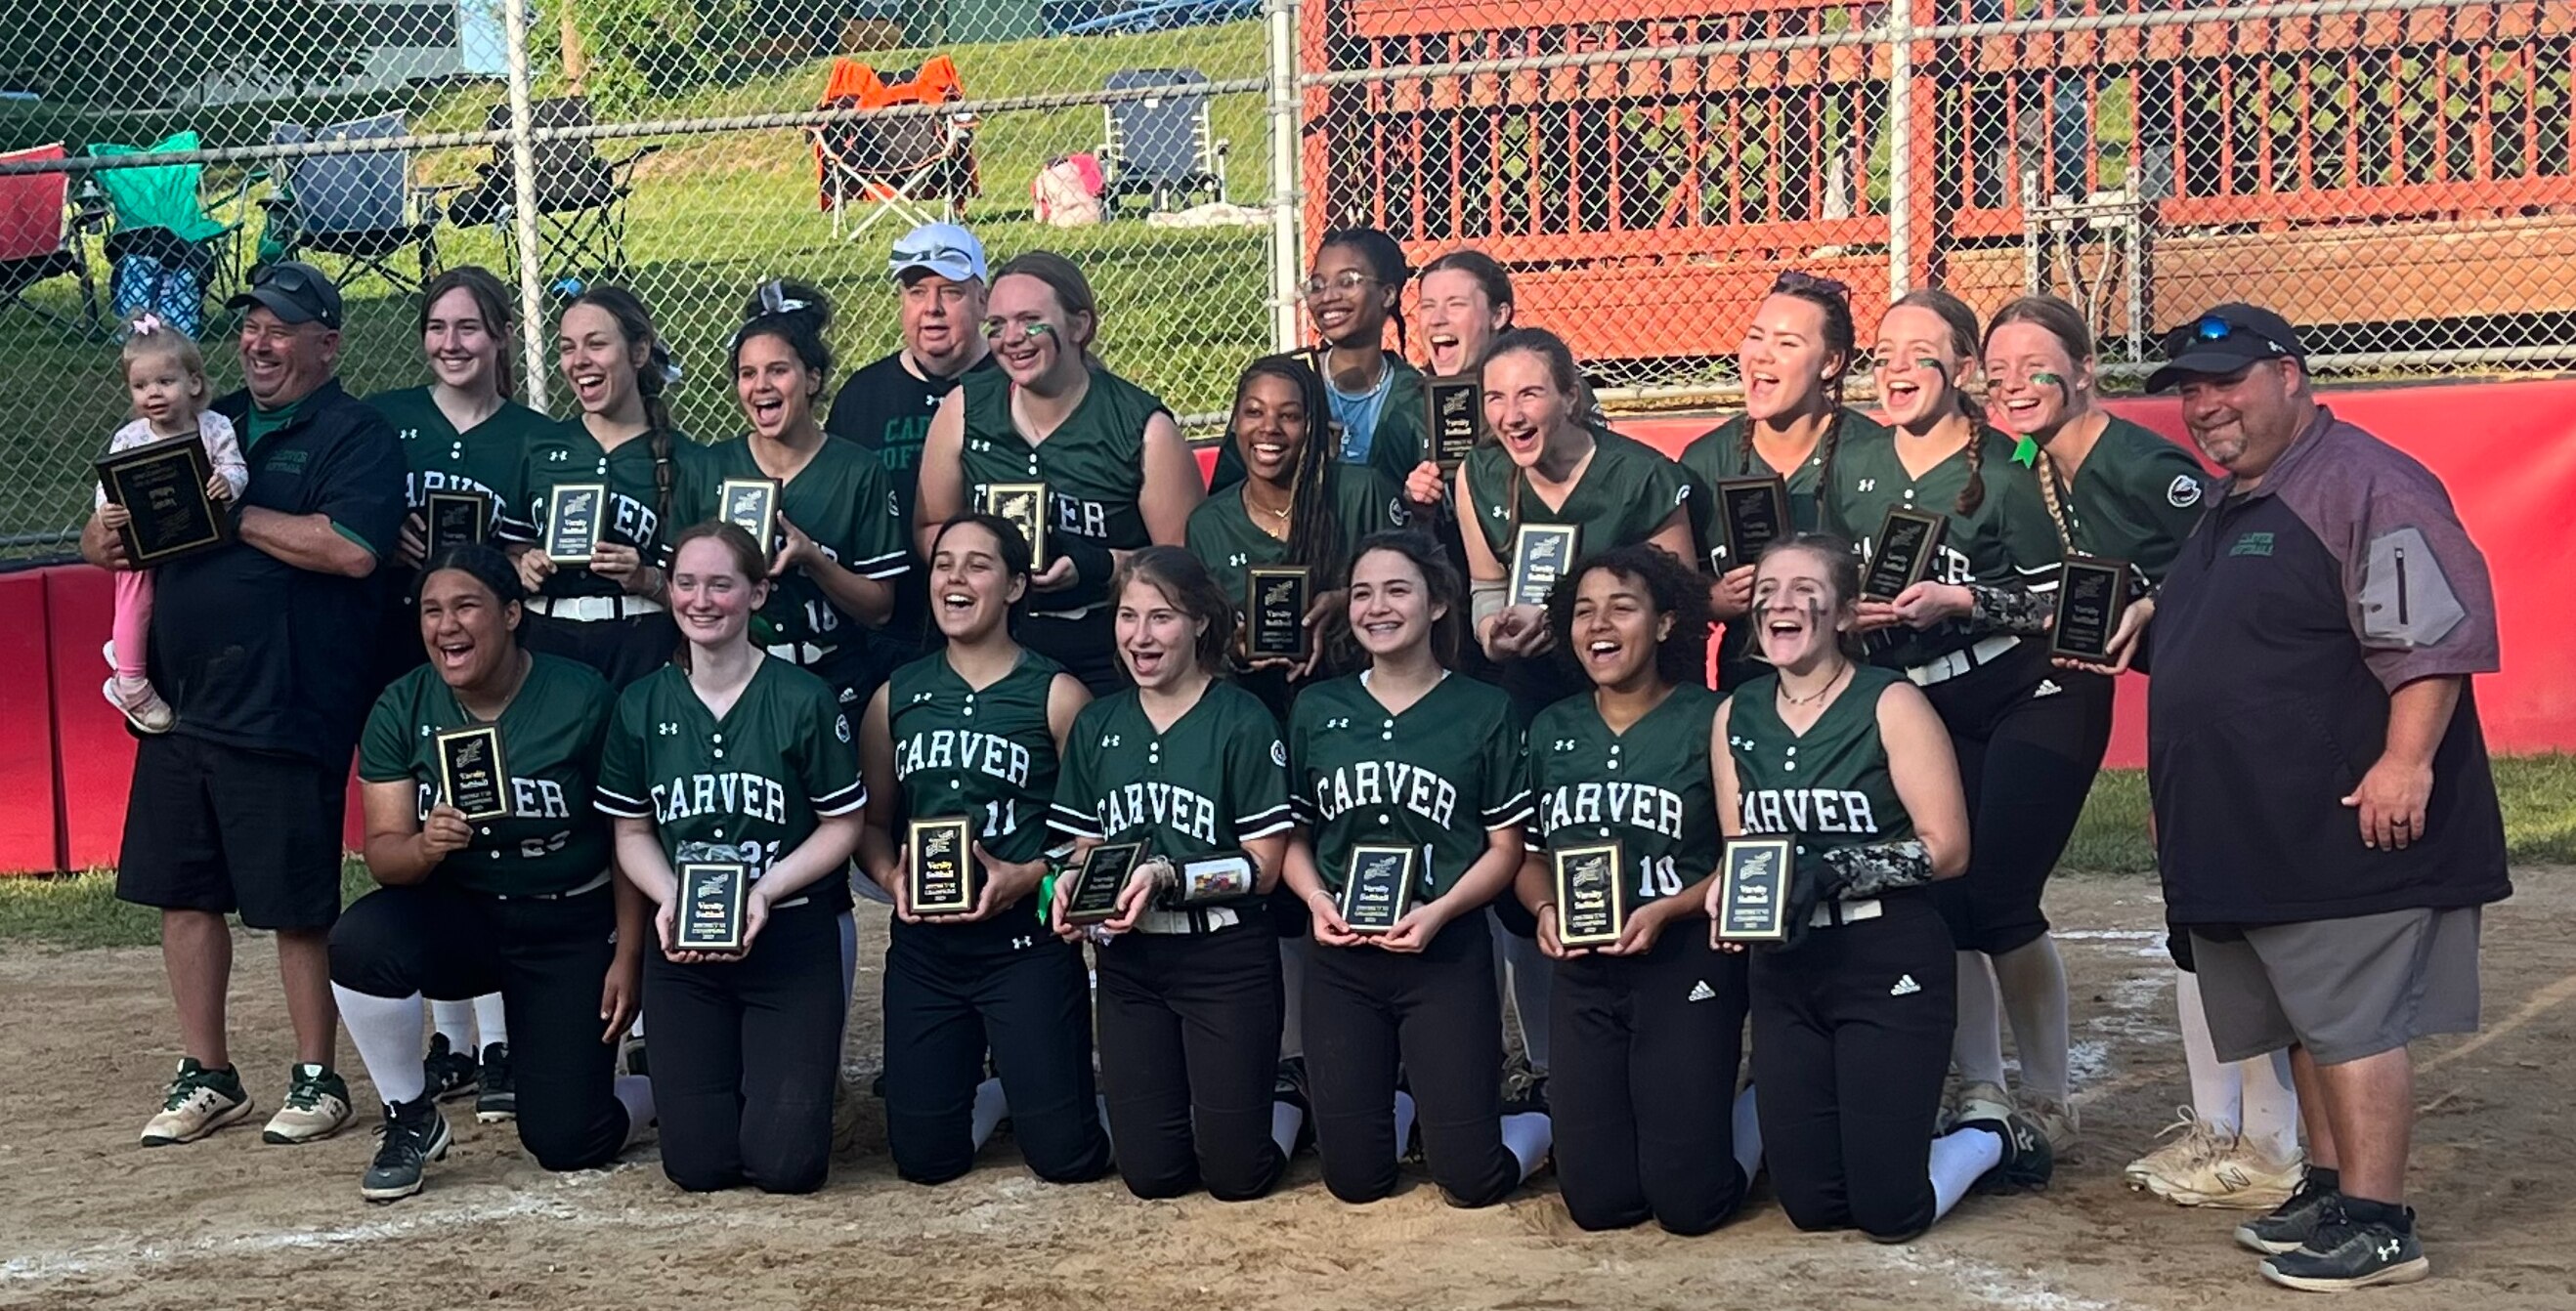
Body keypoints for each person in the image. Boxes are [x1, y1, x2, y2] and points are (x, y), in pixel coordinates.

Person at [2141, 303, 2506, 1291]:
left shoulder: (2361, 481)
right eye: (2188, 389)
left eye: (2225, 382)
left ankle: (2380, 1221)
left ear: (2291, 375)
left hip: (2338, 815)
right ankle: (2333, 1184)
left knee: (2351, 1017)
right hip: (2257, 825)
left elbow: (2426, 638)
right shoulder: (2240, 495)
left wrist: (2404, 761)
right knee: (2306, 1015)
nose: (2203, 405)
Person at [1981, 294, 2296, 1207]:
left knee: (2233, 913)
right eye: (1997, 374)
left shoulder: (2141, 463)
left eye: (2037, 367)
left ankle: (2270, 1139)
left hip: (2236, 710)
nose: (2014, 387)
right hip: (2183, 710)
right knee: (2194, 910)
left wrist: (2162, 602)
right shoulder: (2036, 470)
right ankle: (2222, 1128)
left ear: (2084, 370)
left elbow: (2234, 556)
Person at [82, 260, 405, 1148]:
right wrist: (106, 532)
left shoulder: (353, 434)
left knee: (293, 899)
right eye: (250, 327)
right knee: (181, 891)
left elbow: (350, 550)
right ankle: (209, 1072)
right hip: (182, 702)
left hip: (286, 701)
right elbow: (105, 537)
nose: (259, 343)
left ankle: (317, 1076)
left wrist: (227, 515)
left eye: (281, 327)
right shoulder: (192, 421)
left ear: (327, 344)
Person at [1713, 532, 2050, 1243]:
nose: (1783, 602)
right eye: (1769, 590)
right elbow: (1741, 851)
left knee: (1890, 1212)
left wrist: (1838, 869)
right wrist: (1727, 893)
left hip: (1885, 956)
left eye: (1807, 590)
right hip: (1788, 966)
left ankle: (1992, 1137)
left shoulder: (1890, 700)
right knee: (1812, 1207)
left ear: (1842, 614)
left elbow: (1949, 850)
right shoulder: (1735, 714)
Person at [1817, 290, 2068, 1151]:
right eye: (1884, 352)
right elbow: (1827, 578)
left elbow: (2058, 603)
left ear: (1964, 369)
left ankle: (2047, 1094)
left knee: (1999, 899)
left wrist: (1962, 599)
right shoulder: (1852, 460)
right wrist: (1843, 614)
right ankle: (1983, 1086)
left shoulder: (2007, 465)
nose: (1895, 369)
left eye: (1921, 353)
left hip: (2009, 690)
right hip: (1913, 697)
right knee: (1944, 895)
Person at [330, 545, 655, 1201]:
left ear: (511, 613)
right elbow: (385, 853)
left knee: (568, 1143)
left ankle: (660, 1086)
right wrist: (425, 846)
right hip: (470, 910)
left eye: (465, 606)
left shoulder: (580, 696)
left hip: (568, 920)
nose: (445, 625)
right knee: (360, 941)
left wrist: (629, 950)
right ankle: (409, 1115)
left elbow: (627, 831)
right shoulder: (402, 704)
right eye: (431, 611)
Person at [594, 523, 867, 1194]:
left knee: (787, 1167)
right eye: (687, 583)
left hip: (787, 936)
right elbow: (631, 833)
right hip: (682, 951)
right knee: (698, 1166)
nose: (701, 599)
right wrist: (670, 897)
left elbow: (844, 823)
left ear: (758, 592)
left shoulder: (803, 698)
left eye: (722, 584)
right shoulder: (642, 704)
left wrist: (765, 891)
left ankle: (779, 1087)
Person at [1282, 531, 1552, 1205]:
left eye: (1397, 590)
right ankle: (1396, 1116)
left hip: (1443, 949)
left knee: (1469, 1179)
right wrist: (1317, 899)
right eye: (1364, 592)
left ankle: (1548, 1122)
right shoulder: (1318, 707)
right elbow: (1293, 838)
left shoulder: (1484, 708)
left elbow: (1505, 848)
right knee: (1355, 1182)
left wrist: (1439, 912)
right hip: (1344, 955)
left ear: (1437, 604)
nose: (1377, 607)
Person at [855, 512, 1113, 1185]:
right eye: (944, 564)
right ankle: (998, 1094)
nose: (955, 578)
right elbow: (873, 824)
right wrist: (891, 877)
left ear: (1016, 587)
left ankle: (1029, 1093)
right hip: (927, 953)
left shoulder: (1058, 695)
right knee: (925, 1161)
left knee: (1066, 1160)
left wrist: (1029, 876)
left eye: (978, 564)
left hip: (1023, 950)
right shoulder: (896, 698)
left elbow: (1099, 833)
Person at [1047, 547, 1302, 1202]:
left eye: (1161, 617)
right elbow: (1084, 850)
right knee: (1153, 1178)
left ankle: (1288, 1110)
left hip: (1224, 960)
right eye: (1128, 616)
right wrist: (1067, 890)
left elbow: (1265, 867)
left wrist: (1167, 876)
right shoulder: (1099, 724)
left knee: (1234, 1178)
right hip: (1134, 966)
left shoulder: (1242, 719)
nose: (1140, 635)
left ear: (1200, 625)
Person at [1516, 544, 1754, 1234]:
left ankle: (1765, 1109)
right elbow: (1530, 857)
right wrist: (1545, 908)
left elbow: (1747, 857)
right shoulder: (1552, 728)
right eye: (1584, 611)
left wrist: (1670, 907)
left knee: (1688, 1205)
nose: (1601, 625)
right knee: (1599, 1204)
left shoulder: (1712, 717)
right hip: (1587, 971)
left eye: (1622, 607)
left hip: (1683, 957)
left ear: (1666, 623)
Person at [367, 265, 555, 1112]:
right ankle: (449, 1036)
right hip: (401, 649)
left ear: (501, 338)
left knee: (487, 812)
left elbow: (544, 551)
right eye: (438, 328)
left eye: (469, 328)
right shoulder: (389, 424)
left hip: (489, 660)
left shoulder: (531, 436)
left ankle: (502, 1040)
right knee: (419, 824)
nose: (452, 343)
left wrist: (518, 564)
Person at [914, 252, 1203, 694]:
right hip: (994, 639)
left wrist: (1097, 564)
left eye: (1031, 321)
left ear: (1079, 325)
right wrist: (984, 561)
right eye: (997, 324)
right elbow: (929, 527)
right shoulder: (964, 408)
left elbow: (1184, 564)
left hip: (1106, 647)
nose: (1012, 339)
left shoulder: (1142, 427)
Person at [688, 278, 909, 710]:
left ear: (811, 379)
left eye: (778, 370)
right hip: (734, 680)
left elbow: (880, 608)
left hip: (834, 676)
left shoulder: (857, 471)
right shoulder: (709, 467)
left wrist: (813, 559)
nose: (761, 386)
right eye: (747, 373)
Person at [1675, 271, 1886, 690]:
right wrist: (1713, 599)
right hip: (1748, 676)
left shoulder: (1874, 453)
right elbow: (1676, 587)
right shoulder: (1704, 460)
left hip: (1858, 674)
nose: (1763, 355)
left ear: (1831, 363)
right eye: (1756, 336)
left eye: (1787, 343)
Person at [1184, 353, 1409, 720]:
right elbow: (1200, 637)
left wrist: (1348, 602)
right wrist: (1234, 647)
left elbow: (1422, 588)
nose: (1268, 427)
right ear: (1236, 422)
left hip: (1363, 700)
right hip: (1254, 709)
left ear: (1312, 424)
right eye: (1254, 412)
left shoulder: (1362, 493)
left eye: (1288, 415)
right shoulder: (1208, 524)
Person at [498, 286, 702, 689]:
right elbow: (507, 553)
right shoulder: (539, 447)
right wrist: (523, 567)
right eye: (568, 347)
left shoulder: (689, 460)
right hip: (547, 640)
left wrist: (646, 578)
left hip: (643, 642)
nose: (579, 361)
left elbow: (705, 587)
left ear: (639, 352)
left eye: (596, 344)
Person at [825, 222, 999, 688]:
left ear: (984, 301)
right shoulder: (863, 396)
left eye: (951, 293)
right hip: (888, 629)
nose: (932, 310)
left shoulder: (1016, 385)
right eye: (917, 292)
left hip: (1001, 630)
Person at [96, 314, 247, 733]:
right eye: (141, 387)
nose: (153, 394)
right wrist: (108, 514)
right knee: (136, 594)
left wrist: (227, 483)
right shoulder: (130, 438)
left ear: (193, 383)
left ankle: (127, 651)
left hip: (197, 533)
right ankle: (131, 685)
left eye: (165, 382)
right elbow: (108, 488)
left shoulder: (214, 428)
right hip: (147, 538)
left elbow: (235, 466)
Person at [1213, 229, 1427, 494]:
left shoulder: (1416, 395)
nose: (1327, 297)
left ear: (1387, 294)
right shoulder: (1280, 382)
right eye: (1317, 284)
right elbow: (1228, 493)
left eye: (1348, 282)